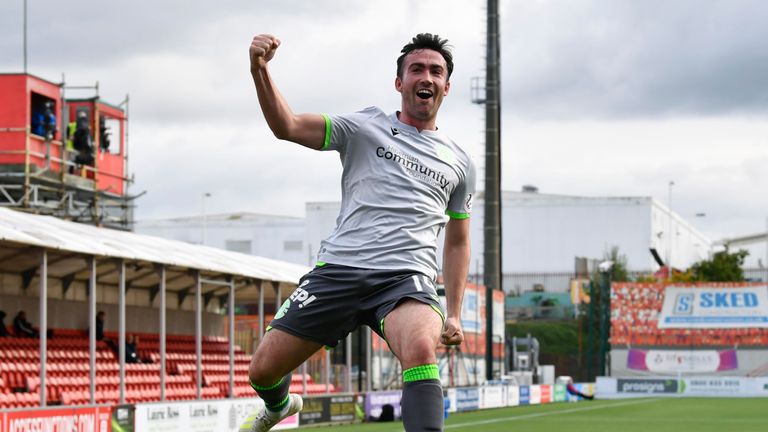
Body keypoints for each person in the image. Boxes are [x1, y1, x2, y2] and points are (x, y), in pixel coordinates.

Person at [241, 32, 475, 432]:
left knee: (421, 348)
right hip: (340, 269)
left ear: (446, 86)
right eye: (416, 69)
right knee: (262, 371)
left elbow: (458, 240)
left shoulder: (460, 163)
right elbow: (289, 125)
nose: (427, 77)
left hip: (406, 278)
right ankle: (278, 405)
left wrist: (453, 310)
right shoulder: (364, 127)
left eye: (436, 71)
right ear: (399, 82)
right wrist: (259, 69)